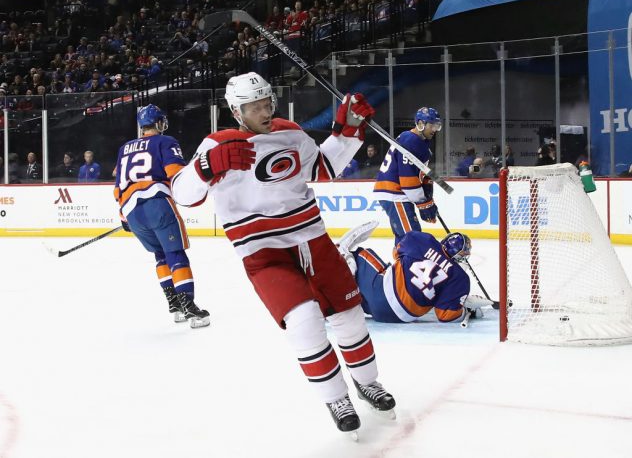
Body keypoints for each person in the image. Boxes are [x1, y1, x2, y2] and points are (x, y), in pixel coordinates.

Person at [171, 72, 395, 436]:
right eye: (252, 106)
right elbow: (183, 193)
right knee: (304, 321)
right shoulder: (217, 143)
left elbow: (323, 168)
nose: (262, 110)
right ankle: (336, 398)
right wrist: (205, 167)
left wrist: (349, 132)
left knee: (349, 316)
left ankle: (368, 382)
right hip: (263, 252)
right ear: (235, 110)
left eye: (265, 103)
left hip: (314, 241)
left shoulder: (289, 131)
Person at [114, 104, 210, 329]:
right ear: (158, 123)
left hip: (130, 209)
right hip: (157, 203)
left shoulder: (124, 148)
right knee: (175, 253)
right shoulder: (166, 142)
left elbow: (118, 185)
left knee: (160, 254)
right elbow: (175, 173)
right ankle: (190, 308)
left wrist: (123, 214)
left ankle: (174, 305)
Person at [337, 221, 491, 324]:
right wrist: (464, 310)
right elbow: (446, 316)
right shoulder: (460, 279)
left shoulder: (422, 240)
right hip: (397, 317)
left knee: (361, 254)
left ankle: (340, 257)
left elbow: (396, 253)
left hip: (381, 293)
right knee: (361, 295)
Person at [374, 107, 441, 246]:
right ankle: (405, 266)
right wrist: (423, 203)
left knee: (405, 241)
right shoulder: (411, 141)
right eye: (432, 125)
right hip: (394, 193)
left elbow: (419, 174)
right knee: (413, 240)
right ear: (421, 124)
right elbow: (408, 181)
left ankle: (401, 266)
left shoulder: (419, 141)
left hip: (397, 193)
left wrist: (427, 194)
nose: (435, 129)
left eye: (437, 125)